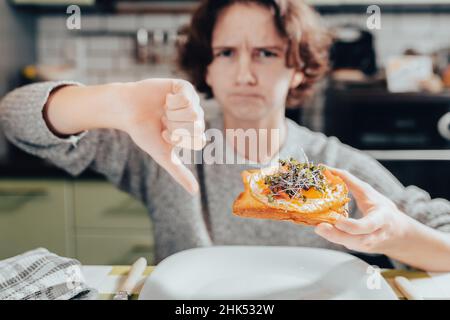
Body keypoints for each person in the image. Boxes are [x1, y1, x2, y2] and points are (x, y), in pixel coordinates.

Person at [1, 0, 449, 271]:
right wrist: (112, 101)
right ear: (207, 66)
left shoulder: (338, 166)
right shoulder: (161, 145)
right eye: (227, 52)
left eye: (267, 53)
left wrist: (395, 236)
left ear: (297, 69)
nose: (245, 73)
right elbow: (15, 121)